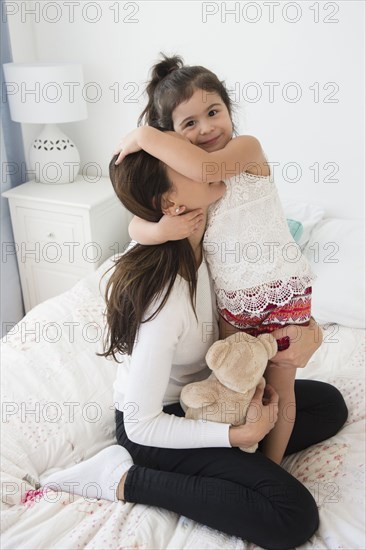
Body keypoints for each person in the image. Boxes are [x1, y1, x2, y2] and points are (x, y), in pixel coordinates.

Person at [42, 147, 348, 550]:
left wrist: (310, 333)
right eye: (189, 168)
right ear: (172, 202)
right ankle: (123, 479)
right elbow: (141, 423)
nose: (207, 166)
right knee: (292, 516)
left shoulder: (210, 237)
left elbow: (271, 295)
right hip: (155, 427)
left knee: (328, 406)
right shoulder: (164, 300)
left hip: (213, 396)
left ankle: (230, 469)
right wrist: (236, 436)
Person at [114, 54, 316, 464]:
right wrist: (160, 231)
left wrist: (147, 135)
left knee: (281, 386)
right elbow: (136, 227)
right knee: (233, 381)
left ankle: (272, 466)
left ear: (229, 110)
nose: (206, 127)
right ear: (175, 139)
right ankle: (242, 443)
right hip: (232, 301)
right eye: (189, 123)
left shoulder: (244, 150)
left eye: (214, 111)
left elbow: (208, 168)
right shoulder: (189, 195)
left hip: (279, 290)